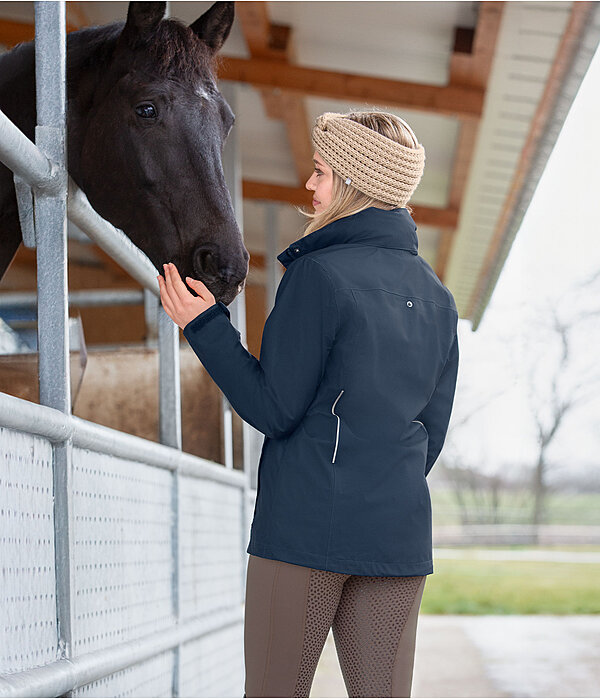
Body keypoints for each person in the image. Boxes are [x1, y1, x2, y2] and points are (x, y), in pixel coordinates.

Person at [157, 110, 459, 698]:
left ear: (351, 185)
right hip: (396, 535)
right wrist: (379, 482)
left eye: (321, 172)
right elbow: (433, 431)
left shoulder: (317, 275)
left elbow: (274, 409)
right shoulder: (438, 298)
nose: (310, 186)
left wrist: (206, 328)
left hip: (303, 532)